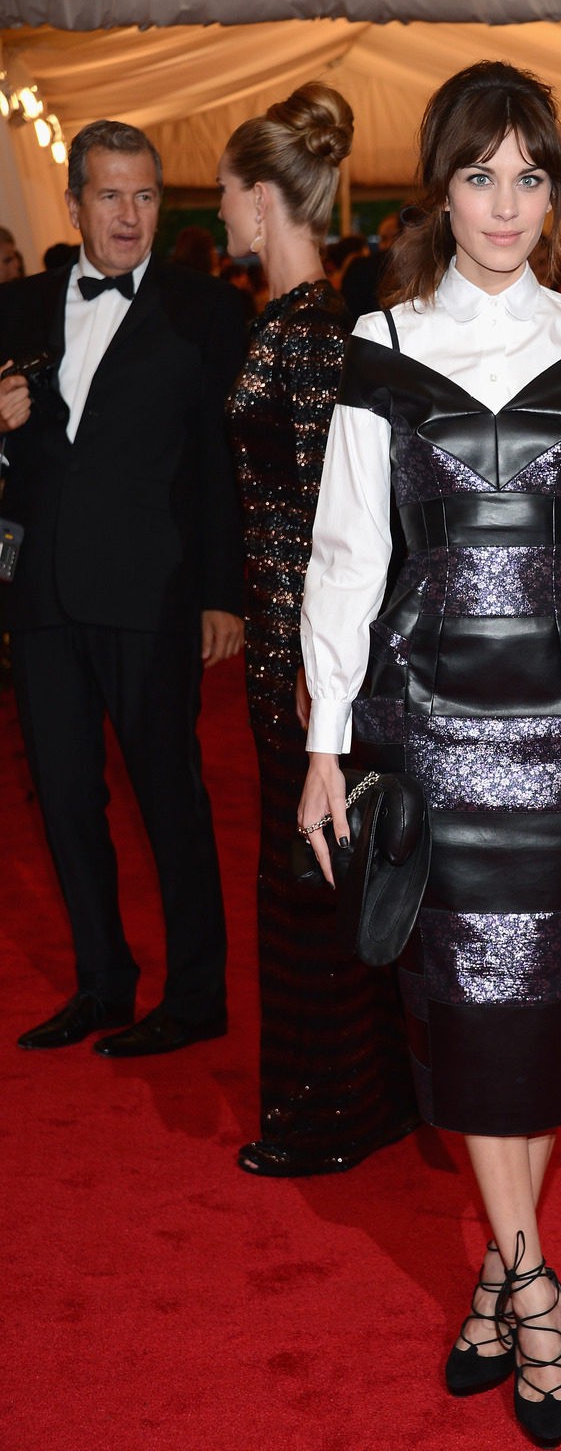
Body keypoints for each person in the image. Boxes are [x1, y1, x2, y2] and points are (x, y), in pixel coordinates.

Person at [297, 60, 561, 1443]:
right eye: (480, 175)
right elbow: (345, 561)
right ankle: (534, 1291)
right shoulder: (381, 346)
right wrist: (324, 743)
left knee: (533, 1020)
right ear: (441, 187)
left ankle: (498, 1283)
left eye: (531, 176)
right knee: (461, 1019)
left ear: (558, 193)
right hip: (431, 737)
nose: (506, 204)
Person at [0, 120, 246, 1055]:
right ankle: (102, 982)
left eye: (145, 196)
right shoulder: (13, 307)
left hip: (155, 596)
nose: (130, 214)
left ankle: (195, 997)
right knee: (63, 800)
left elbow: (224, 465)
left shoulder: (206, 310)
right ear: (73, 206)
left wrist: (225, 592)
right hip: (41, 594)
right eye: (110, 195)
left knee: (169, 800)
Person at [219, 82, 418, 1176]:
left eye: (227, 197)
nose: (223, 216)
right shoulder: (301, 321)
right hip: (283, 641)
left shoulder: (310, 331)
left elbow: (333, 522)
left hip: (299, 651)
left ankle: (335, 1109)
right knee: (310, 864)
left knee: (312, 871)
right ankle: (355, 1094)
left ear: (259, 198)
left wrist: (313, 666)